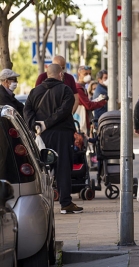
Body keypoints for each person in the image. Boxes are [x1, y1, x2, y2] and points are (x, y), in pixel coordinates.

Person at [23, 64, 83, 214]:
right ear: (61, 74)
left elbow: (27, 110)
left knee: (42, 168)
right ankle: (65, 203)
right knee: (63, 166)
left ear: (46, 74)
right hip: (62, 135)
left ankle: (41, 204)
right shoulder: (65, 90)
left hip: (42, 135)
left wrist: (36, 125)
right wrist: (47, 123)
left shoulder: (34, 91)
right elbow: (64, 111)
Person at [75, 65, 107, 135]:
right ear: (79, 74)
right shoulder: (78, 88)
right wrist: (102, 102)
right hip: (80, 122)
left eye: (89, 74)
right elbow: (88, 105)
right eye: (85, 74)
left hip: (84, 121)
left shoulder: (83, 88)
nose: (88, 76)